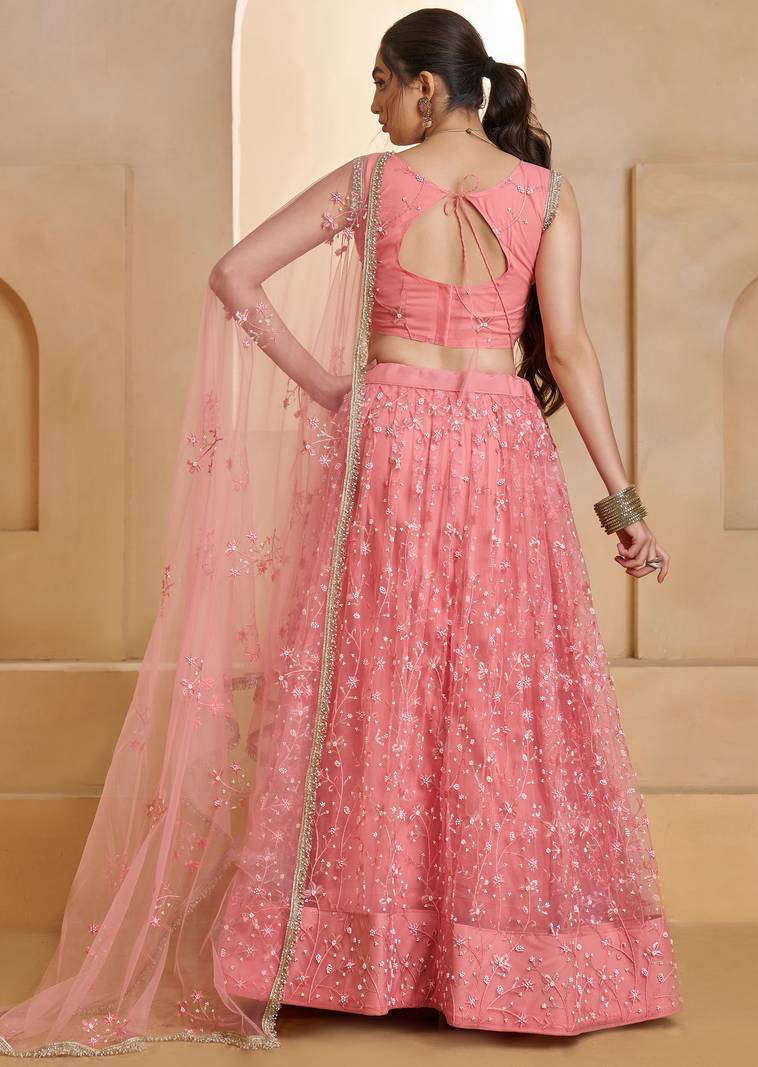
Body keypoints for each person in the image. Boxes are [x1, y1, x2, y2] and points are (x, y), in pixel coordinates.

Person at [0, 8, 681, 1058]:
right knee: (499, 688)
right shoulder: (544, 193)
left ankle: (368, 956)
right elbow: (571, 350)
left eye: (380, 82)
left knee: (378, 686)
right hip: (502, 450)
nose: (373, 104)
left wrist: (329, 385)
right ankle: (496, 958)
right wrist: (622, 502)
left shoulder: (372, 184)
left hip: (391, 436)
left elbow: (234, 274)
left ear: (424, 87)